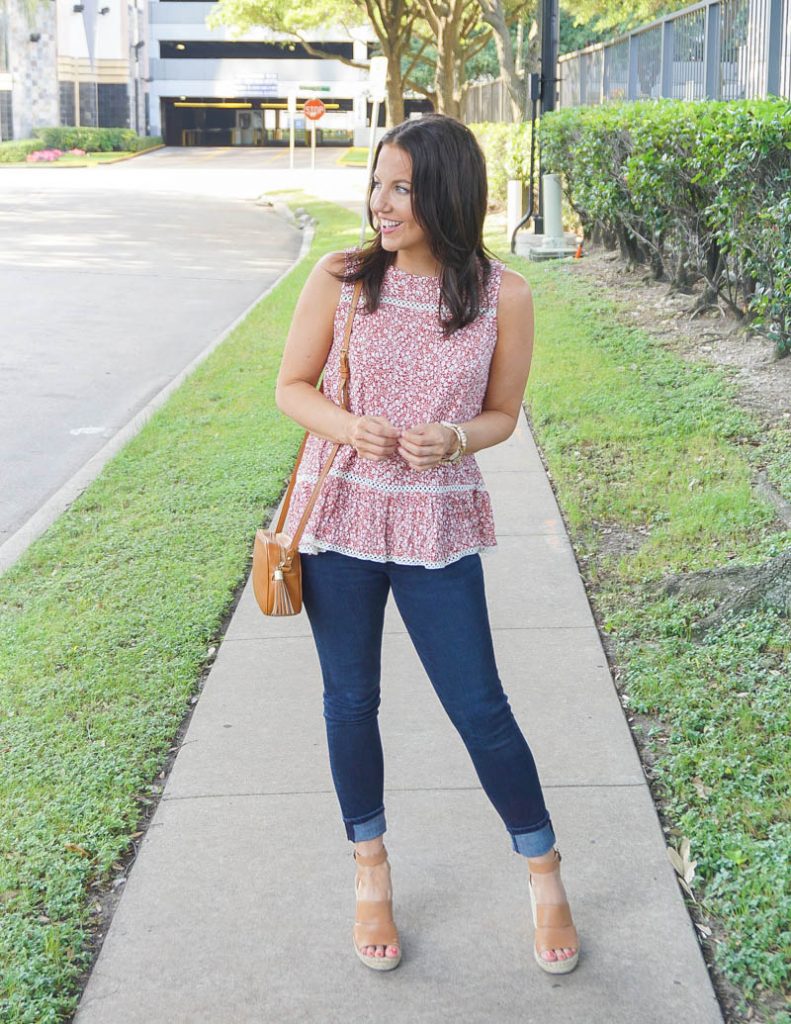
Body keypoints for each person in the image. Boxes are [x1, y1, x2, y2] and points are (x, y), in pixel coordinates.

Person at [274, 113, 579, 975]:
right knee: (349, 703)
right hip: (340, 520)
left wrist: (453, 436)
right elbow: (291, 388)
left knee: (479, 707)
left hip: (435, 523)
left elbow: (501, 415)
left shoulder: (501, 294)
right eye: (377, 183)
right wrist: (349, 426)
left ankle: (544, 872)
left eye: (401, 186)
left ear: (446, 192)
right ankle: (370, 868)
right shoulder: (341, 276)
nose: (381, 202)